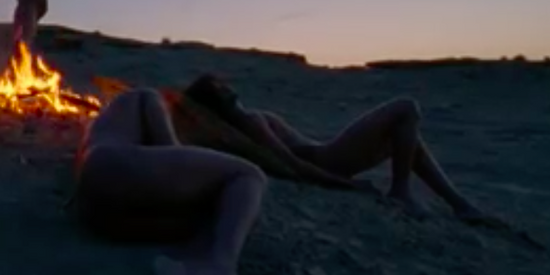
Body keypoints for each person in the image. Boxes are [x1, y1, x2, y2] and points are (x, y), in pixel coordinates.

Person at [73, 88, 280, 275]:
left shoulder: (110, 125)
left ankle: (194, 267)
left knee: (211, 216)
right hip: (113, 166)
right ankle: (219, 266)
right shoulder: (143, 95)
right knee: (248, 175)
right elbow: (169, 146)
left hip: (97, 212)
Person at [183, 74, 501, 224]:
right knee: (406, 108)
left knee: (407, 134)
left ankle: (460, 204)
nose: (226, 84)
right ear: (216, 98)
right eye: (218, 86)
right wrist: (346, 184)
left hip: (329, 155)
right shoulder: (249, 120)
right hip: (330, 160)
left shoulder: (244, 122)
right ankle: (402, 190)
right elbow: (289, 162)